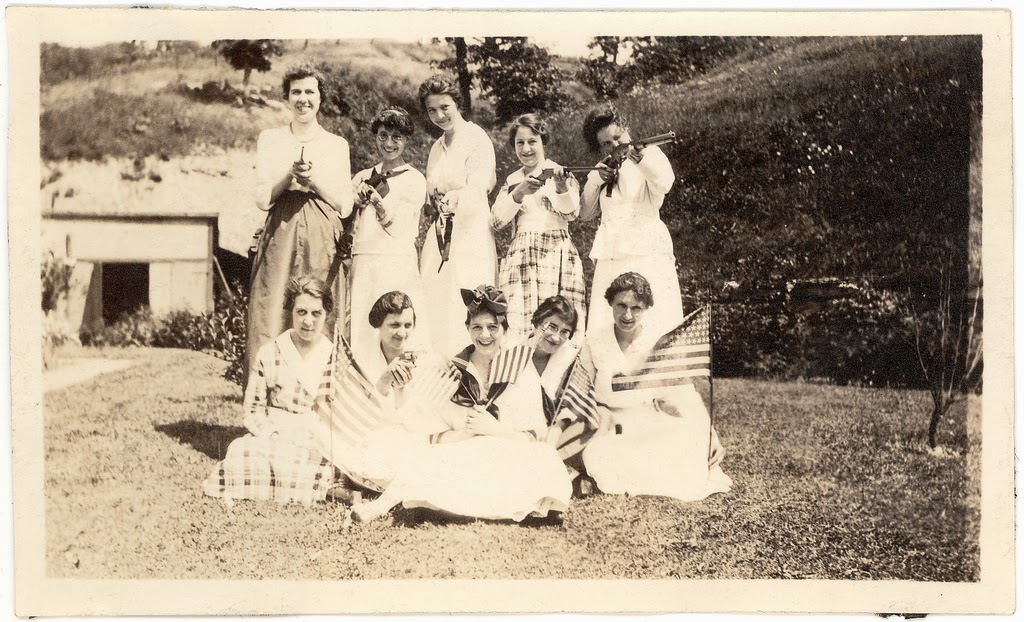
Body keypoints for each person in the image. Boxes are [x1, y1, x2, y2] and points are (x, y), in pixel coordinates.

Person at [351, 285, 571, 523]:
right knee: (425, 456)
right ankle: (381, 506)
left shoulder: (519, 367)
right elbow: (429, 429)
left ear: (504, 330)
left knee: (544, 456)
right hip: (463, 453)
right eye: (477, 327)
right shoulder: (455, 369)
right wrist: (462, 435)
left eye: (492, 327)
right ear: (468, 329)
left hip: (507, 452)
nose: (485, 335)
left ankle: (453, 507)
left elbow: (535, 433)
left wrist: (496, 430)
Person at [580, 272, 731, 502]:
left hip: (647, 420)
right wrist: (599, 417)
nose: (627, 315)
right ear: (610, 303)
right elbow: (583, 392)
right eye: (621, 305)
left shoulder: (657, 341)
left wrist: (710, 433)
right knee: (602, 453)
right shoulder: (593, 341)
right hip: (609, 423)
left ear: (646, 308)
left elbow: (683, 393)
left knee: (688, 436)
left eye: (636, 308)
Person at [247, 65, 353, 382]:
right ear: (287, 98)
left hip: (322, 230)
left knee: (320, 305)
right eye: (296, 92)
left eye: (310, 92)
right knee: (273, 306)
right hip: (281, 228)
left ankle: (323, 393)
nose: (303, 99)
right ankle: (268, 391)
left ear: (320, 98)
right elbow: (262, 198)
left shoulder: (336, 144)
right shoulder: (270, 139)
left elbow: (344, 204)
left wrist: (313, 180)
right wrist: (289, 176)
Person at [203, 276, 340, 505]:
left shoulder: (333, 356)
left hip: (312, 435)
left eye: (316, 313)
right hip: (275, 432)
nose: (308, 321)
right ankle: (305, 488)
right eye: (301, 312)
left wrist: (319, 436)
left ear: (327, 314)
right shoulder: (271, 352)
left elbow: (337, 412)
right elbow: (253, 409)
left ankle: (297, 484)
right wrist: (272, 434)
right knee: (241, 451)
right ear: (290, 311)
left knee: (320, 461)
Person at [579, 104, 683, 338]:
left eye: (618, 137)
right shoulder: (604, 167)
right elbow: (585, 213)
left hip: (646, 249)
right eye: (606, 143)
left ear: (626, 129)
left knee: (652, 320)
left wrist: (641, 160)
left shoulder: (650, 153)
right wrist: (596, 179)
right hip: (611, 253)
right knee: (607, 322)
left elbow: (665, 183)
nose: (615, 145)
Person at [417, 75, 498, 356]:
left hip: (470, 234)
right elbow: (431, 193)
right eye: (432, 110)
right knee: (436, 299)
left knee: (467, 299)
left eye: (445, 107)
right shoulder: (436, 148)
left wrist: (457, 197)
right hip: (440, 237)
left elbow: (480, 187)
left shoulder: (476, 138)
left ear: (457, 104)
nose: (439, 116)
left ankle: (469, 365)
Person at [491, 114, 587, 343]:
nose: (526, 149)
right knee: (520, 324)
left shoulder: (558, 171)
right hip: (521, 257)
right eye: (520, 143)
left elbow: (572, 214)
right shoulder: (513, 179)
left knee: (561, 320)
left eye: (532, 141)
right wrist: (519, 193)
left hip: (557, 253)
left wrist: (561, 187)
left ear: (544, 142)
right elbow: (496, 221)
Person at [349, 108, 428, 371]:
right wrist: (356, 203)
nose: (389, 143)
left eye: (396, 137)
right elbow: (347, 222)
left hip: (395, 261)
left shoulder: (415, 179)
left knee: (396, 325)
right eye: (383, 136)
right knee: (364, 327)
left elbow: (402, 231)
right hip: (364, 262)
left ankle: (401, 383)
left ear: (406, 140)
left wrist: (380, 206)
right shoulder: (362, 177)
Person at [524, 296, 599, 488]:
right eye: (552, 326)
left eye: (565, 332)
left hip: (555, 428)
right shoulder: (514, 352)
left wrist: (556, 429)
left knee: (587, 424)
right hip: (521, 426)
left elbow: (570, 405)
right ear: (537, 322)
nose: (556, 337)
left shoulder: (568, 357)